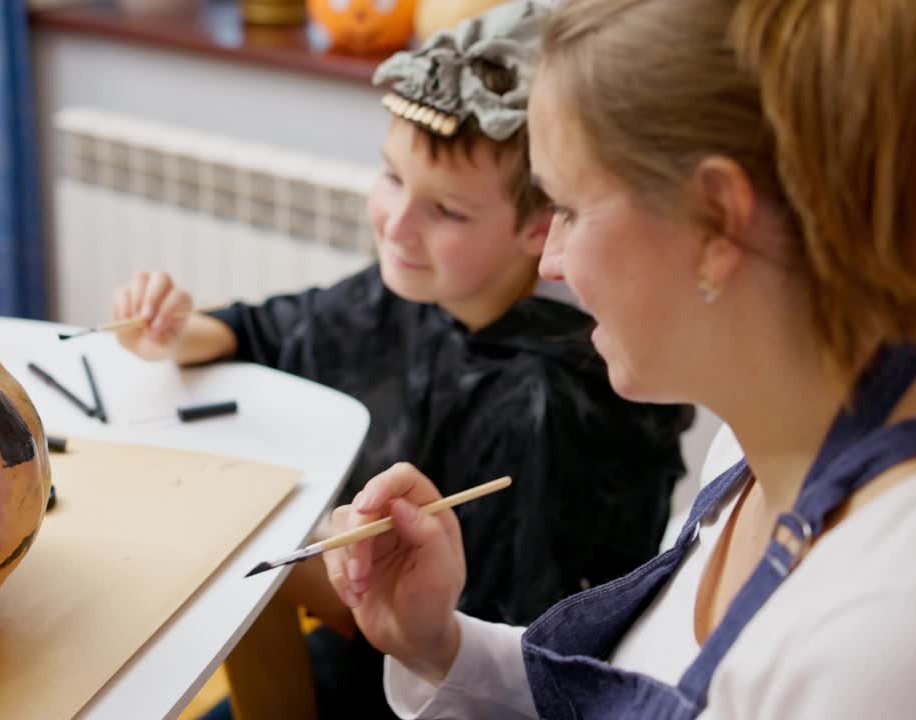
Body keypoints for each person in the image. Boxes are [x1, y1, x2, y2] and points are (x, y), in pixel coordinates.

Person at [323, 0, 916, 717]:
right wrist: (439, 643)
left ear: (717, 219)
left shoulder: (891, 634)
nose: (549, 260)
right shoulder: (759, 442)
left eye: (570, 210)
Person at [110, 3, 693, 715]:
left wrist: (251, 548)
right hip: (349, 661)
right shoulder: (416, 295)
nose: (397, 223)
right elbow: (263, 332)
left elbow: (478, 653)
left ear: (541, 226)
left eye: (447, 212)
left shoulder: (551, 405)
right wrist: (170, 328)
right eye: (390, 178)